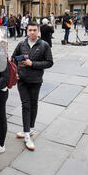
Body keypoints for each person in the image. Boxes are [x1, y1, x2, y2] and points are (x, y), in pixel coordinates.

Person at [12, 22, 54, 151]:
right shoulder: (22, 44)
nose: (32, 32)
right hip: (22, 80)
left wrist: (33, 64)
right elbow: (13, 59)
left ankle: (30, 129)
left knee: (33, 104)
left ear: (38, 31)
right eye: (30, 30)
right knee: (26, 105)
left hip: (35, 80)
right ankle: (26, 134)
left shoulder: (44, 45)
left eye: (34, 30)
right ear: (27, 31)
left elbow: (49, 62)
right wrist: (15, 73)